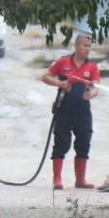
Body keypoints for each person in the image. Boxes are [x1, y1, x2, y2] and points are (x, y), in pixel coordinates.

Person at [41, 33, 101, 190]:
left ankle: (80, 180)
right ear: (76, 46)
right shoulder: (63, 62)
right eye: (84, 45)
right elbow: (45, 77)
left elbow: (96, 87)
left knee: (83, 143)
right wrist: (60, 83)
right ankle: (57, 180)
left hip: (83, 112)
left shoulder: (92, 66)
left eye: (89, 46)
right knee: (61, 143)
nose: (87, 49)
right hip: (64, 110)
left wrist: (91, 94)